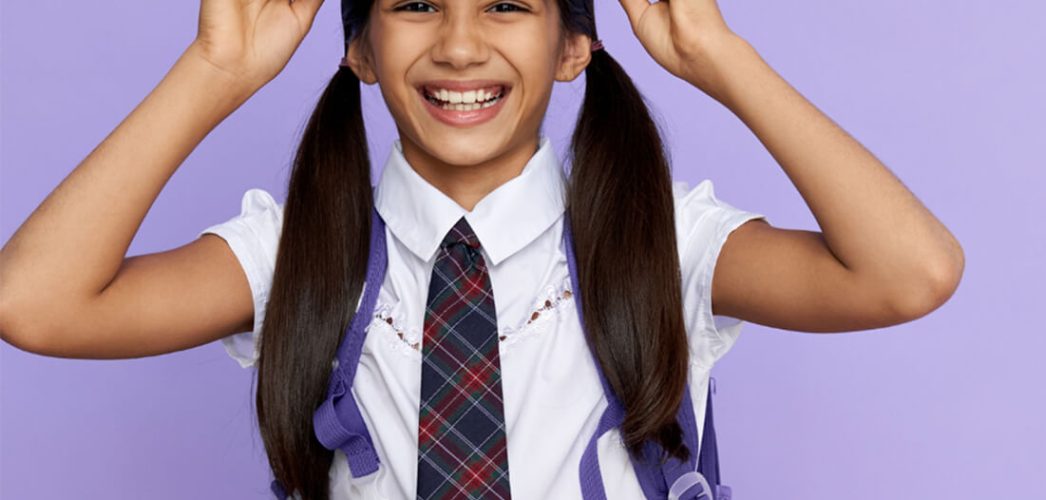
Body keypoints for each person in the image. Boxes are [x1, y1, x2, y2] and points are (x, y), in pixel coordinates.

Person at [0, 0, 965, 498]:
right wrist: (212, 72)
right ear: (362, 49)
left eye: (507, 4)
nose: (460, 46)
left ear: (573, 46)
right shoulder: (299, 252)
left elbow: (908, 272)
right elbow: (33, 305)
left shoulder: (656, 240)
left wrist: (715, 53)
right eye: (417, 3)